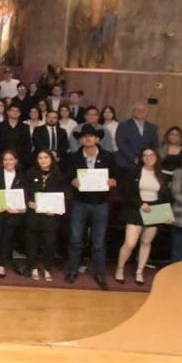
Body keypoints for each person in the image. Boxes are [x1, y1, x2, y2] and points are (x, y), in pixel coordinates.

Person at [66, 123, 118, 290]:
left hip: (100, 204)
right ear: (81, 140)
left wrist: (113, 181)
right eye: (84, 136)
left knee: (98, 242)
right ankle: (73, 270)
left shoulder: (109, 156)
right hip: (80, 203)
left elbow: (118, 177)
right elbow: (67, 176)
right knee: (75, 239)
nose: (88, 138)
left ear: (97, 139)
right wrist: (72, 181)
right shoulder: (73, 157)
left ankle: (99, 273)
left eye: (91, 136)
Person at [116, 147, 172, 285]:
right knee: (130, 243)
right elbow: (126, 192)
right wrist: (140, 204)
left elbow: (165, 196)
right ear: (141, 158)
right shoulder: (133, 172)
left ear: (157, 157)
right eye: (145, 155)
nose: (148, 157)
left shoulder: (162, 175)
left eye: (151, 155)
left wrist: (167, 214)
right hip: (136, 209)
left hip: (154, 210)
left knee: (146, 242)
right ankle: (120, 268)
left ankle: (139, 271)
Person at [24, 148, 66, 281]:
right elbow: (24, 191)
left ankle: (47, 268)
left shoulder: (58, 175)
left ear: (51, 159)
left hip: (50, 216)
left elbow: (61, 195)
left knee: (49, 243)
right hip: (33, 214)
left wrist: (55, 209)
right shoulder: (30, 173)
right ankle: (33, 267)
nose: (43, 160)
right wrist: (28, 202)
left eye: (46, 157)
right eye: (40, 158)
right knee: (32, 242)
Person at [0, 150, 27, 278]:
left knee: (6, 240)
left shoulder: (23, 176)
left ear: (16, 161)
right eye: (5, 160)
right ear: (2, 162)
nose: (8, 162)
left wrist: (20, 208)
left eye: (11, 159)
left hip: (12, 214)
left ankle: (1, 265)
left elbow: (25, 196)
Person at [115, 101, 159, 169]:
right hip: (125, 162)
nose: (140, 111)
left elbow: (154, 145)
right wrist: (134, 158)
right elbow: (120, 144)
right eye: (137, 109)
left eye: (142, 110)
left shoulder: (152, 127)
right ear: (132, 111)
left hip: (145, 163)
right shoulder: (123, 125)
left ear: (146, 112)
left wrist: (147, 158)